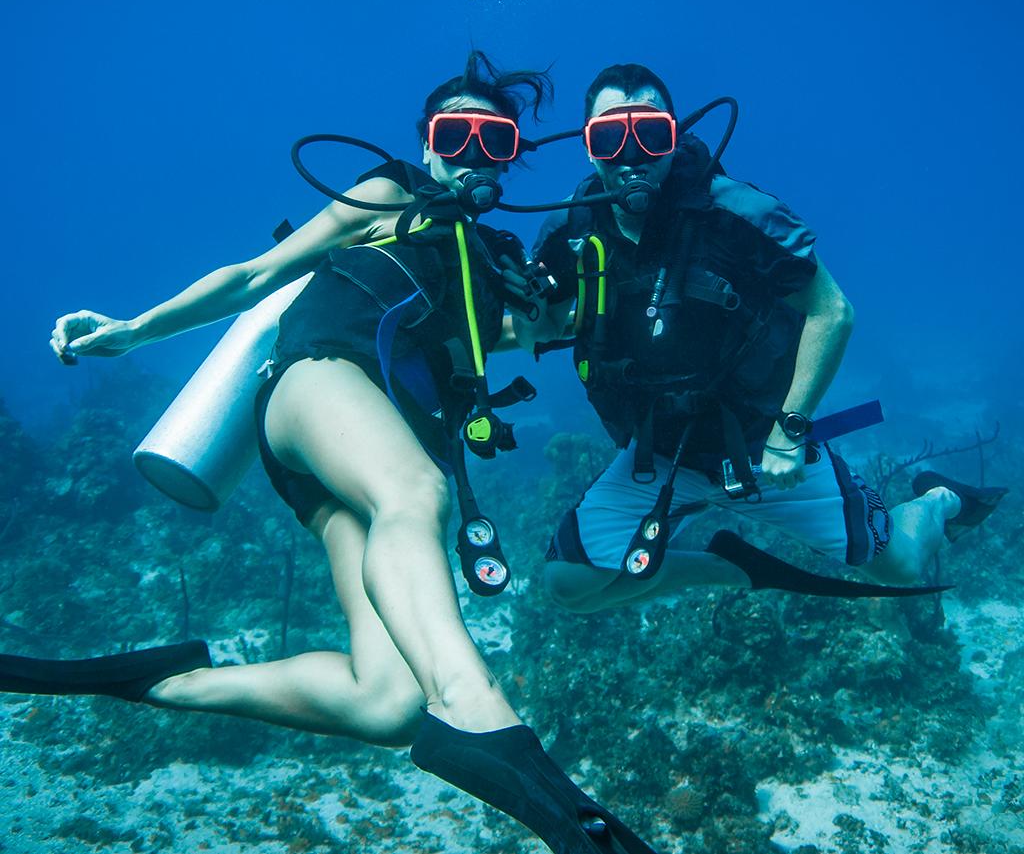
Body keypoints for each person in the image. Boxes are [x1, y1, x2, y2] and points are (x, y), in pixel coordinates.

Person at [2, 53, 660, 854]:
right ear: (426, 145)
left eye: (493, 142)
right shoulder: (389, 194)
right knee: (415, 493)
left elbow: (541, 331)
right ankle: (474, 703)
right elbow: (255, 275)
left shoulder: (490, 261)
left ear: (510, 157)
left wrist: (584, 282)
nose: (471, 157)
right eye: (455, 136)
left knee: (385, 701)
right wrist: (135, 330)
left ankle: (161, 679)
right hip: (314, 384)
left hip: (347, 460)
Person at [514, 62, 1008, 612]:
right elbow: (547, 328)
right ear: (589, 148)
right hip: (659, 453)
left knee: (901, 565)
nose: (632, 155)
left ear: (674, 139)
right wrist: (522, 306)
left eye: (650, 133)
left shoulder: (738, 213)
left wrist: (790, 431)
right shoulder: (569, 232)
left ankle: (940, 501)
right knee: (568, 586)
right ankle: (732, 567)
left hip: (760, 443)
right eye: (610, 138)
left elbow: (833, 312)